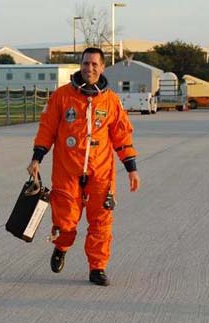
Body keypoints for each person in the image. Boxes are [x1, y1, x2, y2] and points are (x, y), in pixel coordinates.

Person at [27, 47, 140, 286]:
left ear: (102, 68)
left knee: (101, 221)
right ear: (81, 65)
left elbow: (122, 136)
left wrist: (131, 168)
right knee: (66, 219)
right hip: (67, 170)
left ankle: (97, 267)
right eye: (86, 63)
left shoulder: (110, 101)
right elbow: (47, 128)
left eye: (94, 64)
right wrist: (37, 157)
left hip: (100, 172)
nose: (90, 68)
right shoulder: (62, 96)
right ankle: (62, 246)